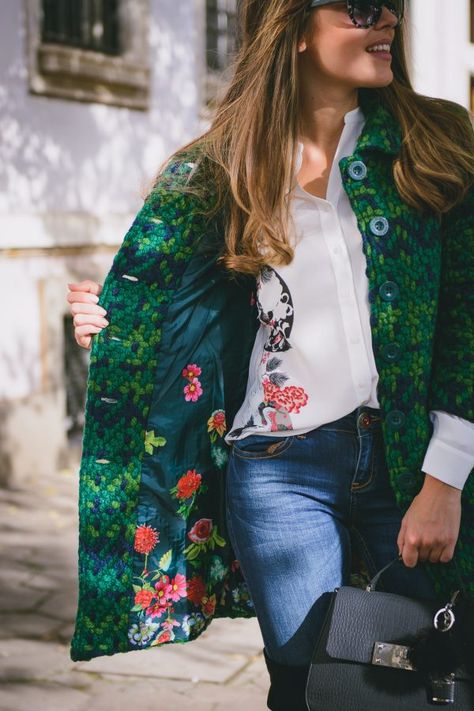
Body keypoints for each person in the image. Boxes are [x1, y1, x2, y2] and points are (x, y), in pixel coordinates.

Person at [66, 1, 474, 709]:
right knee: (311, 684)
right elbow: (168, 308)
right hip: (278, 472)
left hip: (410, 461)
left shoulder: (435, 143)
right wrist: (109, 330)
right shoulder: (224, 167)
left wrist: (446, 477)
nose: (388, 23)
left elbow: (467, 319)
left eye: (394, 8)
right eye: (362, 7)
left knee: (424, 673)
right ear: (294, 31)